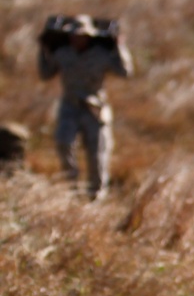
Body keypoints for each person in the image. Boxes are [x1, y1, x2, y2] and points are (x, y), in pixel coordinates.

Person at [37, 15, 133, 202]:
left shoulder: (101, 55)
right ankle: (70, 189)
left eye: (81, 35)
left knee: (97, 152)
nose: (77, 39)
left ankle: (96, 196)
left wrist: (119, 46)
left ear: (89, 36)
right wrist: (42, 49)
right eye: (73, 35)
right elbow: (45, 74)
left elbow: (125, 71)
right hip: (69, 106)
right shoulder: (63, 53)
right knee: (64, 143)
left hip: (94, 108)